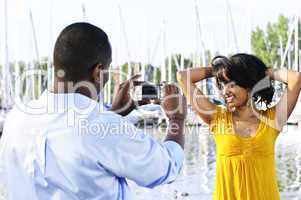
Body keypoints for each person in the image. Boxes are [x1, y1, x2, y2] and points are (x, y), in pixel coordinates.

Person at [0, 22, 187, 200]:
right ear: (98, 71)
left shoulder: (15, 119)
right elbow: (165, 168)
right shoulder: (103, 126)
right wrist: (177, 118)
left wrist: (114, 113)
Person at [177, 53, 301, 200]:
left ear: (249, 86)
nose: (225, 91)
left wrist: (258, 71)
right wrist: (220, 69)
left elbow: (295, 78)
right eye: (223, 85)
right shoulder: (216, 118)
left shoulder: (272, 120)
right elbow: (183, 77)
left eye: (231, 85)